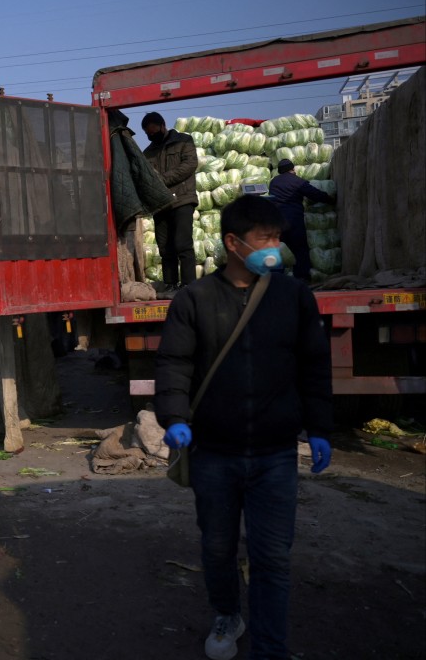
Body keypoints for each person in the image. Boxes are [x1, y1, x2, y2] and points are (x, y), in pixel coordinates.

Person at [154, 194, 333, 660]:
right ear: (233, 243)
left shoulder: (294, 296)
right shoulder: (194, 299)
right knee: (217, 548)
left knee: (273, 557)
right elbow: (175, 364)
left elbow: (314, 366)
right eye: (265, 238)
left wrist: (319, 427)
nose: (275, 246)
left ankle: (270, 647)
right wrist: (173, 418)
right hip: (215, 453)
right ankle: (228, 614)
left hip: (275, 455)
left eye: (278, 237)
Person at [141, 112, 200, 299]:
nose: (151, 136)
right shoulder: (148, 152)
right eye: (148, 134)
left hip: (182, 199)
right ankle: (170, 285)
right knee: (165, 247)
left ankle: (189, 286)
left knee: (183, 244)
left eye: (153, 131)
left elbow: (190, 165)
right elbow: (146, 177)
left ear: (162, 125)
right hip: (161, 205)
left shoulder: (183, 141)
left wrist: (163, 180)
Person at [267, 159, 335, 283]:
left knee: (280, 250)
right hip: (293, 221)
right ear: (292, 169)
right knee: (299, 249)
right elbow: (314, 193)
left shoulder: (273, 182)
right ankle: (301, 277)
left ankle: (279, 277)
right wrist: (330, 199)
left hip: (276, 222)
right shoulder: (297, 181)